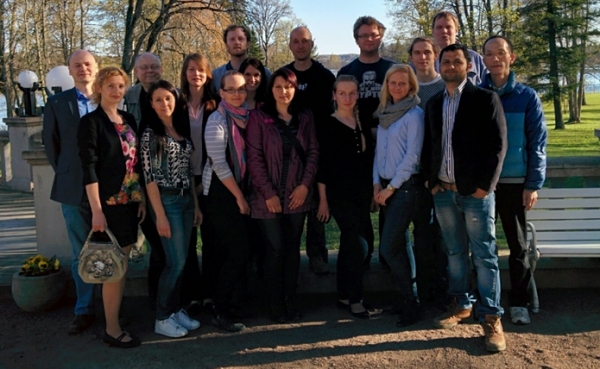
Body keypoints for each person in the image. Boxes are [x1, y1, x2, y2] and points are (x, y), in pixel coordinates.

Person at [421, 43, 507, 352]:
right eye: (446, 61)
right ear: (440, 65)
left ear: (468, 66)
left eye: (458, 61)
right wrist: (431, 182)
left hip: (475, 194)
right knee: (455, 253)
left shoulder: (485, 99)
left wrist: (486, 187)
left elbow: (498, 148)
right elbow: (430, 145)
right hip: (443, 192)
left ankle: (492, 317)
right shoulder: (433, 104)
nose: (451, 66)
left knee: (484, 256)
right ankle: (462, 304)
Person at [480, 35, 547, 325]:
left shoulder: (527, 96)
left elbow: (538, 143)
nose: (495, 59)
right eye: (489, 54)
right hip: (482, 185)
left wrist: (533, 184)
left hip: (514, 183)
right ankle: (485, 301)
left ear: (511, 58)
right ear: (482, 59)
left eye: (500, 53)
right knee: (482, 246)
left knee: (517, 247)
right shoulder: (476, 94)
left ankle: (518, 301)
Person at [77, 67, 144, 348]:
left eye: (120, 86)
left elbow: (134, 162)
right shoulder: (91, 122)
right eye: (110, 86)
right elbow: (88, 168)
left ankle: (112, 316)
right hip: (106, 205)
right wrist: (96, 211)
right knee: (113, 268)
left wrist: (138, 196)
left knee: (122, 263)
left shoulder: (127, 118)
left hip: (129, 202)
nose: (116, 91)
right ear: (100, 88)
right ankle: (112, 329)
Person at [247, 68, 319, 322]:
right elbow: (254, 157)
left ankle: (290, 300)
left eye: (288, 86)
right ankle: (273, 303)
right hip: (267, 197)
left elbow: (312, 152)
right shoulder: (259, 117)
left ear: (295, 88)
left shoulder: (305, 117)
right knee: (274, 250)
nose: (283, 91)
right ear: (271, 89)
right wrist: (268, 193)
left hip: (297, 195)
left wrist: (305, 186)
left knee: (291, 250)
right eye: (278, 86)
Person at [140, 80, 202, 338]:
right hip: (166, 202)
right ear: (151, 104)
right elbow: (149, 176)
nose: (164, 104)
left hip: (186, 199)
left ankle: (175, 310)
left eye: (168, 98)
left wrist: (196, 205)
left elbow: (188, 170)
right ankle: (162, 317)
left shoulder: (178, 128)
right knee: (174, 263)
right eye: (158, 100)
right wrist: (160, 215)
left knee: (183, 260)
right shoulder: (150, 134)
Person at [316, 75, 381, 320]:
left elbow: (369, 159)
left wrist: (374, 190)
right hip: (339, 195)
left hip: (363, 192)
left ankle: (344, 294)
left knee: (357, 244)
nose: (347, 98)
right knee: (358, 245)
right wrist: (323, 200)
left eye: (352, 93)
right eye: (342, 93)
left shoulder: (362, 120)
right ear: (334, 95)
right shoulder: (328, 124)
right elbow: (323, 167)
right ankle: (356, 299)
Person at [43, 49, 99, 335]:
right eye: (77, 65)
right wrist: (68, 172)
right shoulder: (56, 103)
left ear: (96, 67)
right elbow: (51, 145)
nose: (83, 69)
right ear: (70, 70)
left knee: (108, 248)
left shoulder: (108, 97)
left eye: (87, 64)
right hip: (72, 189)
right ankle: (84, 309)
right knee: (81, 252)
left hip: (108, 189)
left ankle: (110, 307)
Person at [337, 15, 395, 268]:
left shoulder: (393, 70)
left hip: (389, 147)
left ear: (381, 36)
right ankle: (360, 260)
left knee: (389, 208)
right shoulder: (347, 71)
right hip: (356, 150)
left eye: (374, 34)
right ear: (356, 39)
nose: (369, 39)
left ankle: (388, 258)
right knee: (359, 210)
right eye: (364, 35)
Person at [372, 65, 423, 327]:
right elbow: (378, 154)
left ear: (411, 86)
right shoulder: (384, 115)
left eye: (403, 83)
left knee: (389, 248)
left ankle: (412, 303)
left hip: (404, 188)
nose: (397, 87)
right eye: (393, 83)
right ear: (387, 85)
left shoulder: (414, 115)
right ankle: (407, 298)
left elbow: (412, 157)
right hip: (386, 187)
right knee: (400, 246)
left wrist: (391, 187)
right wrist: (376, 184)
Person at [284, 26, 336, 276]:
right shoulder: (284, 75)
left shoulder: (324, 76)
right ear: (290, 45)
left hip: (320, 148)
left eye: (305, 41)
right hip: (290, 151)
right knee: (292, 207)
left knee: (317, 207)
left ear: (311, 44)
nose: (300, 45)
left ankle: (318, 256)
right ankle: (289, 257)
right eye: (296, 41)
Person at [202, 71, 251, 332]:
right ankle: (220, 309)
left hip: (242, 189)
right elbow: (218, 163)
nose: (236, 94)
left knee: (241, 252)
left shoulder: (248, 117)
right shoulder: (217, 120)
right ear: (221, 93)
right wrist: (240, 197)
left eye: (241, 89)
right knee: (237, 252)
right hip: (223, 194)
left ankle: (234, 305)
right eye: (230, 89)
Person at [178, 53, 220, 313]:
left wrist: (205, 181)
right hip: (183, 178)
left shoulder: (215, 105)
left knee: (212, 238)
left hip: (211, 177)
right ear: (185, 73)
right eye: (191, 69)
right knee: (189, 239)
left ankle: (211, 293)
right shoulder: (177, 105)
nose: (196, 74)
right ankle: (192, 294)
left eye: (201, 70)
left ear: (208, 74)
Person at [407, 36, 448, 307]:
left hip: (443, 172)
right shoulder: (406, 89)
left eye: (427, 52)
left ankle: (445, 293)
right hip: (414, 174)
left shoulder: (445, 87)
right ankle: (423, 293)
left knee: (444, 235)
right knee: (421, 233)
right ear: (411, 57)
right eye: (417, 53)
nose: (422, 57)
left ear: (435, 55)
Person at [123, 52, 165, 306]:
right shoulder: (126, 98)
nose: (149, 71)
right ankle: (157, 301)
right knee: (156, 243)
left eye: (154, 66)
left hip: (168, 182)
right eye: (144, 67)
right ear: (136, 71)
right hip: (136, 180)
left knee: (169, 246)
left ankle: (173, 301)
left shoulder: (171, 94)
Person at [431, 11, 487, 85]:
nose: (444, 31)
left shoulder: (475, 58)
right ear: (433, 31)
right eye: (439, 27)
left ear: (456, 30)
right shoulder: (425, 61)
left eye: (448, 27)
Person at [212, 25, 271, 94]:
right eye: (232, 39)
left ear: (248, 44)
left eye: (240, 39)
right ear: (226, 45)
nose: (237, 42)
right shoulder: (216, 76)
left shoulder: (264, 74)